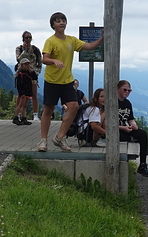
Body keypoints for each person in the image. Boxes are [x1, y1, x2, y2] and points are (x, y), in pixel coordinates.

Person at [37, 12, 103, 152]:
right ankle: (43, 141)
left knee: (73, 107)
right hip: (52, 80)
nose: (61, 23)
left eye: (63, 20)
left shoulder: (71, 40)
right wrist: (54, 60)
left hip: (67, 81)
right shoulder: (51, 41)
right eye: (58, 21)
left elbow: (90, 46)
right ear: (53, 25)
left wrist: (103, 38)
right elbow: (44, 59)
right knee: (48, 109)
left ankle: (59, 137)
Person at [116, 80, 148, 177]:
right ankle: (131, 138)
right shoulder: (113, 102)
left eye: (129, 90)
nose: (127, 92)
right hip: (115, 130)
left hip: (125, 128)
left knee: (142, 134)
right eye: (125, 89)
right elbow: (107, 124)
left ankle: (143, 164)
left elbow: (130, 119)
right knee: (119, 136)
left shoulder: (127, 103)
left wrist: (134, 125)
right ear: (118, 89)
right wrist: (123, 128)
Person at [15, 32, 43, 122]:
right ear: (23, 38)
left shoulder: (35, 49)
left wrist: (37, 72)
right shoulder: (19, 48)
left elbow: (40, 61)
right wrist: (25, 50)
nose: (28, 39)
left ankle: (35, 115)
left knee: (34, 94)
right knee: (21, 95)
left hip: (32, 74)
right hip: (22, 74)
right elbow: (18, 59)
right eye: (26, 37)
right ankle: (18, 114)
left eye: (30, 37)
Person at [13, 58, 35, 125]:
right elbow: (19, 85)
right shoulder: (20, 74)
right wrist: (21, 93)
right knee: (20, 104)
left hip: (28, 90)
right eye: (25, 64)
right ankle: (16, 117)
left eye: (28, 64)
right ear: (22, 65)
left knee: (25, 105)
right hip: (23, 91)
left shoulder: (30, 72)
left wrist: (32, 71)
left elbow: (35, 78)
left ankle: (23, 118)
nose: (27, 65)